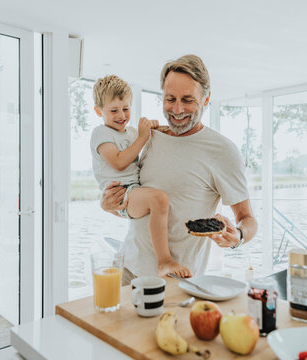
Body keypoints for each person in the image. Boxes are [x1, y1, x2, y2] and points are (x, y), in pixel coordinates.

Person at [100, 55, 258, 285]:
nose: (177, 109)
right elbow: (136, 204)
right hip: (127, 269)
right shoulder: (150, 138)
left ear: (206, 99)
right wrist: (107, 205)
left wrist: (239, 237)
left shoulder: (223, 151)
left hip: (177, 282)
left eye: (187, 99)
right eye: (170, 99)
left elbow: (247, 218)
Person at [90, 75, 192, 278]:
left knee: (158, 200)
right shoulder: (101, 133)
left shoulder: (129, 132)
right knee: (159, 199)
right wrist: (143, 136)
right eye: (113, 111)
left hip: (133, 191)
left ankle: (163, 260)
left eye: (126, 109)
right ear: (98, 111)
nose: (121, 115)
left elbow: (153, 135)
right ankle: (164, 261)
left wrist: (155, 128)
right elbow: (119, 162)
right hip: (121, 194)